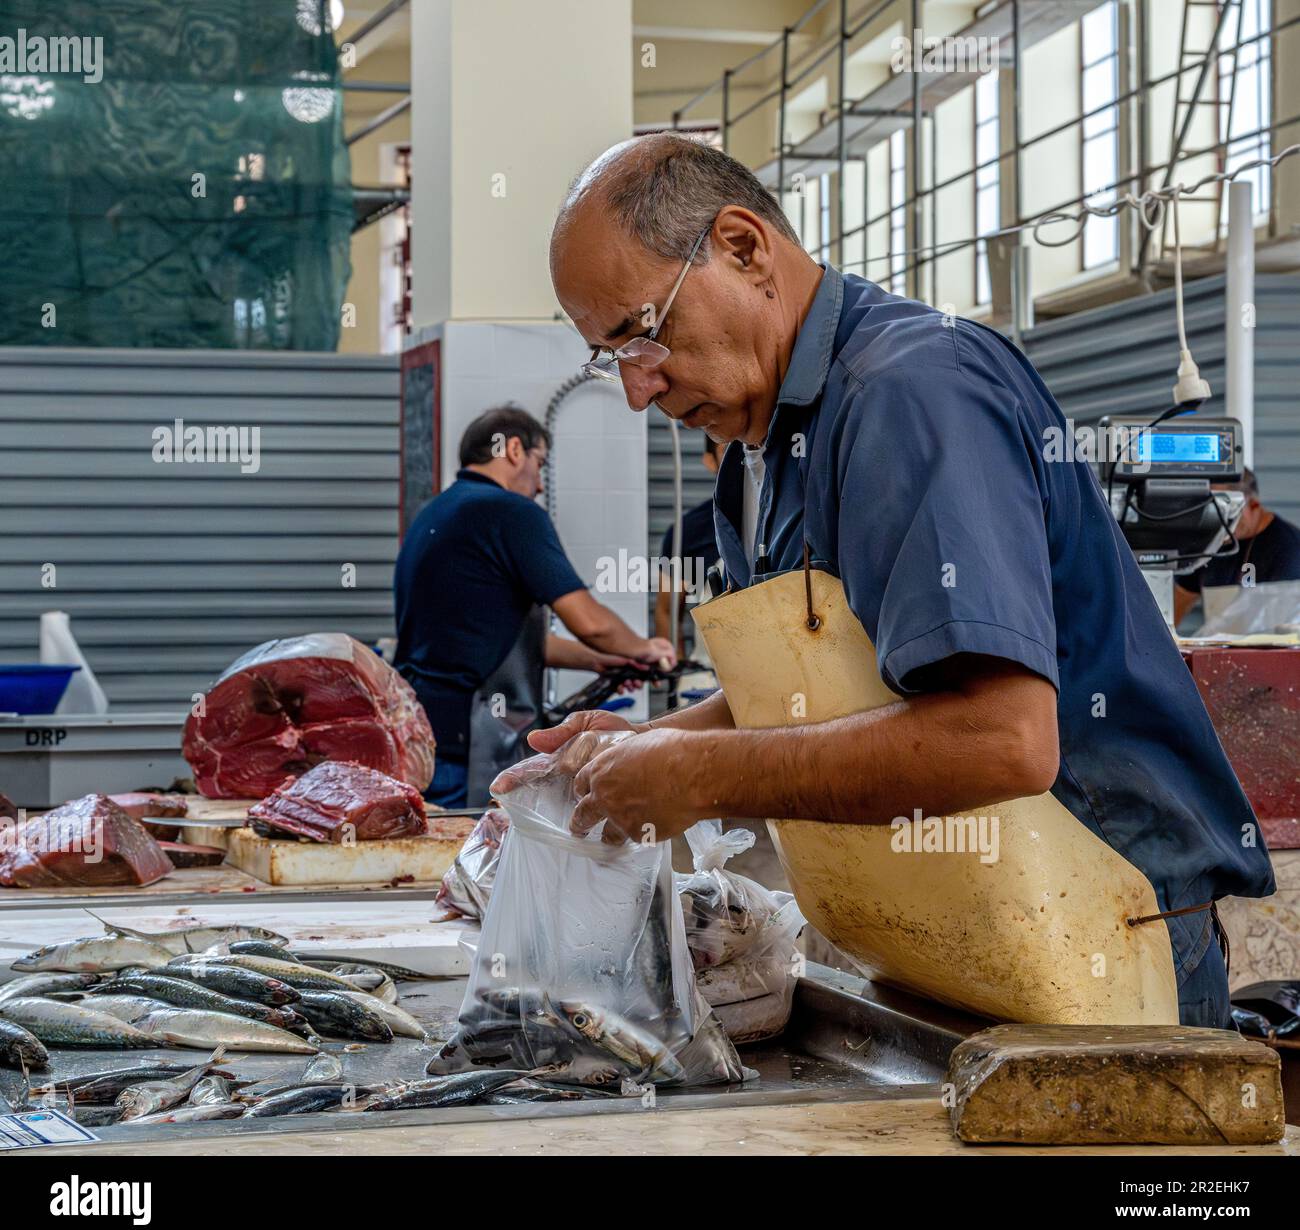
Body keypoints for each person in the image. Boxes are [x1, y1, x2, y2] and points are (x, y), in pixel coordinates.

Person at [528, 133, 1274, 1028]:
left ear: (742, 246)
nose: (639, 393)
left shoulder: (915, 392)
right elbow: (831, 691)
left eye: (641, 336)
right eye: (610, 362)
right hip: (958, 942)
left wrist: (698, 770)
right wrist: (621, 753)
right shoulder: (762, 448)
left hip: (1100, 944)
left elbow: (1001, 739)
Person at [393, 405, 674, 808]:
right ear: (513, 450)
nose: (540, 485)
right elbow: (589, 621)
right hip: (473, 744)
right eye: (540, 463)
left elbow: (502, 640)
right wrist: (645, 647)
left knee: (442, 857)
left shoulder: (437, 513)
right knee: (476, 859)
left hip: (426, 734)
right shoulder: (511, 512)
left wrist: (599, 662)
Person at [1174, 467, 1300, 625]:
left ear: (1253, 504)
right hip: (1217, 646)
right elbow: (1178, 604)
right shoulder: (1207, 543)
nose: (1219, 520)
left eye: (1227, 510)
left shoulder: (1289, 548)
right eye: (1210, 510)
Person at [653, 434, 724, 658]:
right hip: (709, 674)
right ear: (710, 461)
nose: (739, 459)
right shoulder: (687, 532)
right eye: (728, 450)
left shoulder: (785, 519)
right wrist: (679, 671)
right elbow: (667, 611)